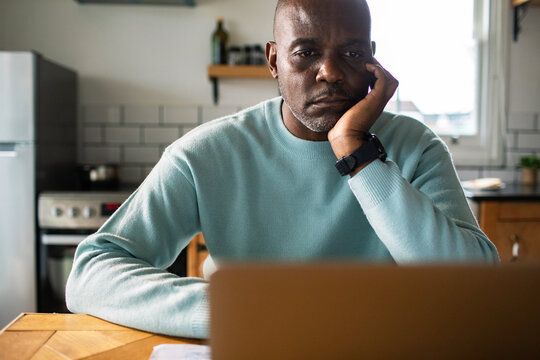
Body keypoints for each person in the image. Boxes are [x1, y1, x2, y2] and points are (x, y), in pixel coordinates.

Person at [66, 0, 499, 339]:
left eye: (350, 52)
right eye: (306, 52)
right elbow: (92, 272)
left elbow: (474, 289)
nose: (329, 72)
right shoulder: (206, 154)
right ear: (274, 60)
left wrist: (358, 154)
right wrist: (243, 311)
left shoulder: (416, 147)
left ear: (372, 59)